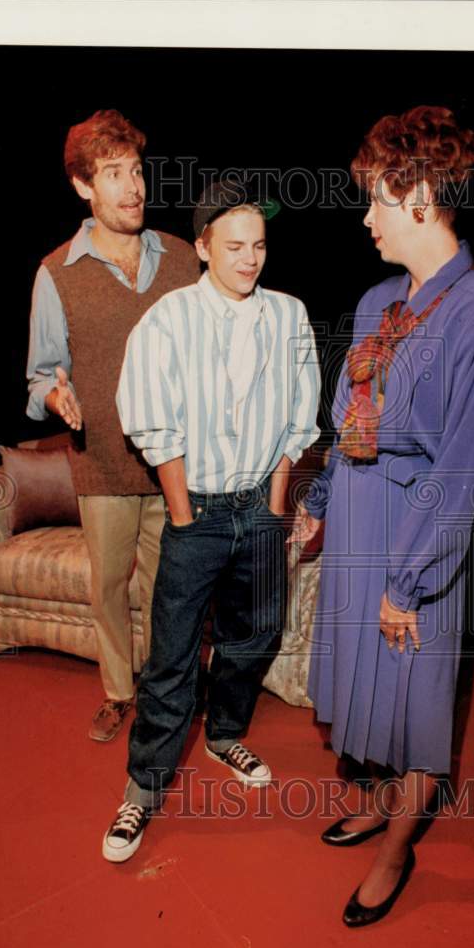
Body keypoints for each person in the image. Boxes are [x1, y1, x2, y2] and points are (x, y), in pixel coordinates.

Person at [291, 106, 474, 927]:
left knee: (418, 699)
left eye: (377, 200)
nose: (366, 217)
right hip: (355, 512)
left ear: (421, 194)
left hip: (418, 526)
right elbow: (343, 414)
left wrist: (411, 579)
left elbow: (461, 468)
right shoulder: (377, 297)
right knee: (365, 682)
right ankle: (379, 800)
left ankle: (398, 846)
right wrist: (316, 505)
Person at [102, 180, 321, 862]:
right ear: (201, 247)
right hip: (194, 510)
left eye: (259, 246)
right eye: (234, 247)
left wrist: (278, 503)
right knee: (170, 656)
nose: (250, 259)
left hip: (261, 506)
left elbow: (299, 418)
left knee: (254, 634)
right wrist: (181, 510)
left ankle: (225, 734)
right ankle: (142, 790)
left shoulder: (289, 315)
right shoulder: (168, 320)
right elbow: (149, 420)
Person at [26, 110, 199, 742]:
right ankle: (118, 693)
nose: (133, 188)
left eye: (136, 171)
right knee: (106, 586)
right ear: (83, 186)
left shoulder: (182, 260)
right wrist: (54, 397)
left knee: (167, 589)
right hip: (99, 459)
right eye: (113, 174)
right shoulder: (56, 273)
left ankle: (163, 692)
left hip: (172, 463)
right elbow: (41, 374)